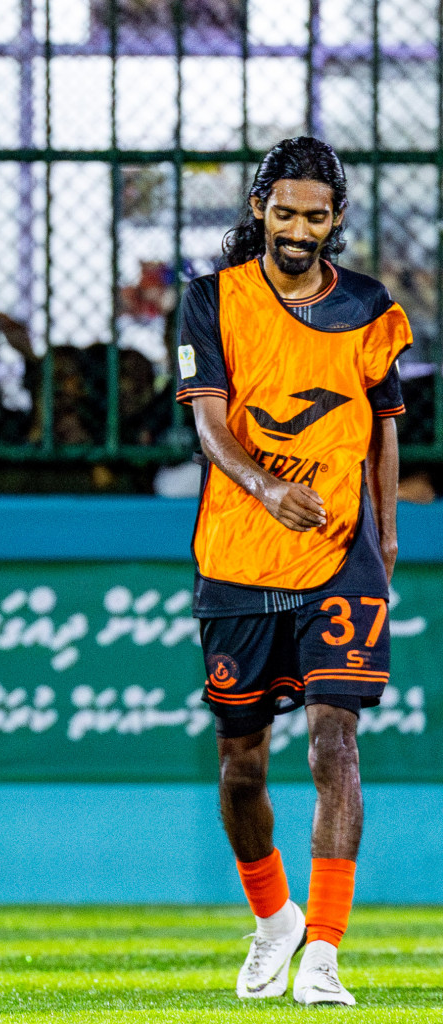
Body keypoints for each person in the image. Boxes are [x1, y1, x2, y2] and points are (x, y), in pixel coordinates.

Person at [176, 137, 408, 1006]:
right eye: (285, 212)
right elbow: (208, 424)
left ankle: (325, 954)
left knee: (333, 741)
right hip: (237, 556)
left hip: (338, 557)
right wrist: (268, 488)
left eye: (317, 215)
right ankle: (275, 919)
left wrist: (386, 541)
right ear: (259, 212)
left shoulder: (371, 308)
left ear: (336, 220)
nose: (300, 229)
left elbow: (384, 428)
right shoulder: (212, 301)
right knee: (241, 766)